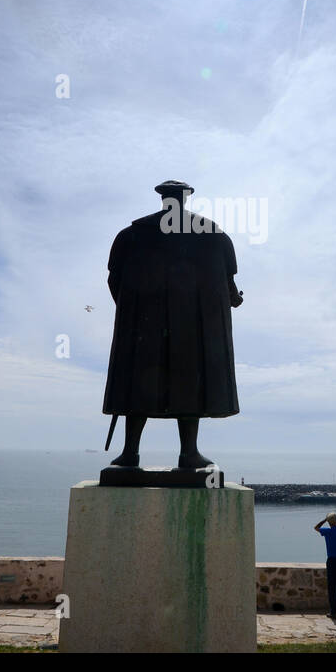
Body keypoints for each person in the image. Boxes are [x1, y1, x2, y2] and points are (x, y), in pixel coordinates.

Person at [102, 180, 243, 469]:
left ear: (163, 200)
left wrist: (135, 315)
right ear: (186, 199)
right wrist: (233, 299)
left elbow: (114, 281)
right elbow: (228, 288)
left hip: (143, 329)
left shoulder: (130, 236)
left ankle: (130, 454)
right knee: (189, 385)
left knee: (137, 386)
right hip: (192, 331)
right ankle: (188, 454)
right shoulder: (213, 236)